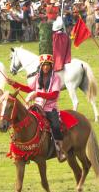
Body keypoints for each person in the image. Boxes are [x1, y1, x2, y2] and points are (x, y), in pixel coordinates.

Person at [12, 22, 66, 161]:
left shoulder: (56, 79)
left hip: (50, 109)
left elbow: (54, 95)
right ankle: (23, 147)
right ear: (41, 67)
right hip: (36, 107)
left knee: (55, 126)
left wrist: (38, 94)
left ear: (51, 66)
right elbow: (30, 89)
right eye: (43, 66)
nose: (45, 68)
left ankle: (59, 150)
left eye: (48, 66)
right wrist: (14, 84)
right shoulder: (37, 77)